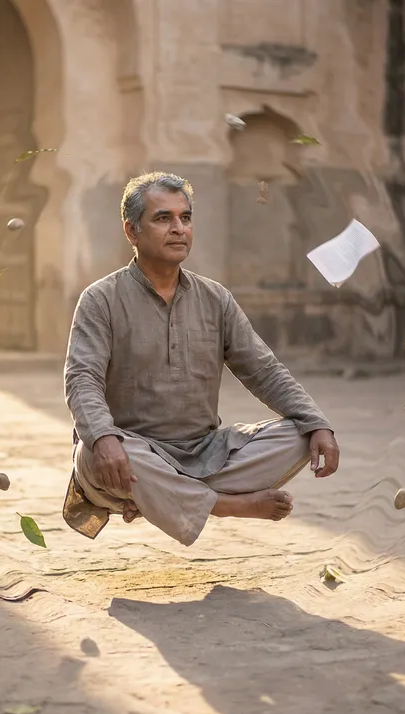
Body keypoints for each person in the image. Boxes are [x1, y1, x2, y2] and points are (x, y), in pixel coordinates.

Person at [62, 171, 339, 546]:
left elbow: (263, 370)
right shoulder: (101, 300)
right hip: (130, 454)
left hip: (203, 454)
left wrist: (317, 422)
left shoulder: (215, 299)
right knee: (93, 450)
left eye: (185, 218)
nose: (179, 229)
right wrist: (104, 437)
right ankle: (225, 505)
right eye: (163, 218)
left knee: (299, 435)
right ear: (132, 231)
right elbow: (82, 380)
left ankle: (168, 498)